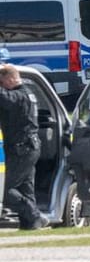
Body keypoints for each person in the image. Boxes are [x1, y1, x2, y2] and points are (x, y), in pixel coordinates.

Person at [0, 63, 48, 231]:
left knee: (6, 192)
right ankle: (31, 224)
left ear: (12, 78)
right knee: (26, 189)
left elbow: (4, 98)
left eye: (3, 82)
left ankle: (35, 215)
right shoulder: (29, 94)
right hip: (29, 147)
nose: (2, 86)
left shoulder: (19, 96)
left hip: (22, 148)